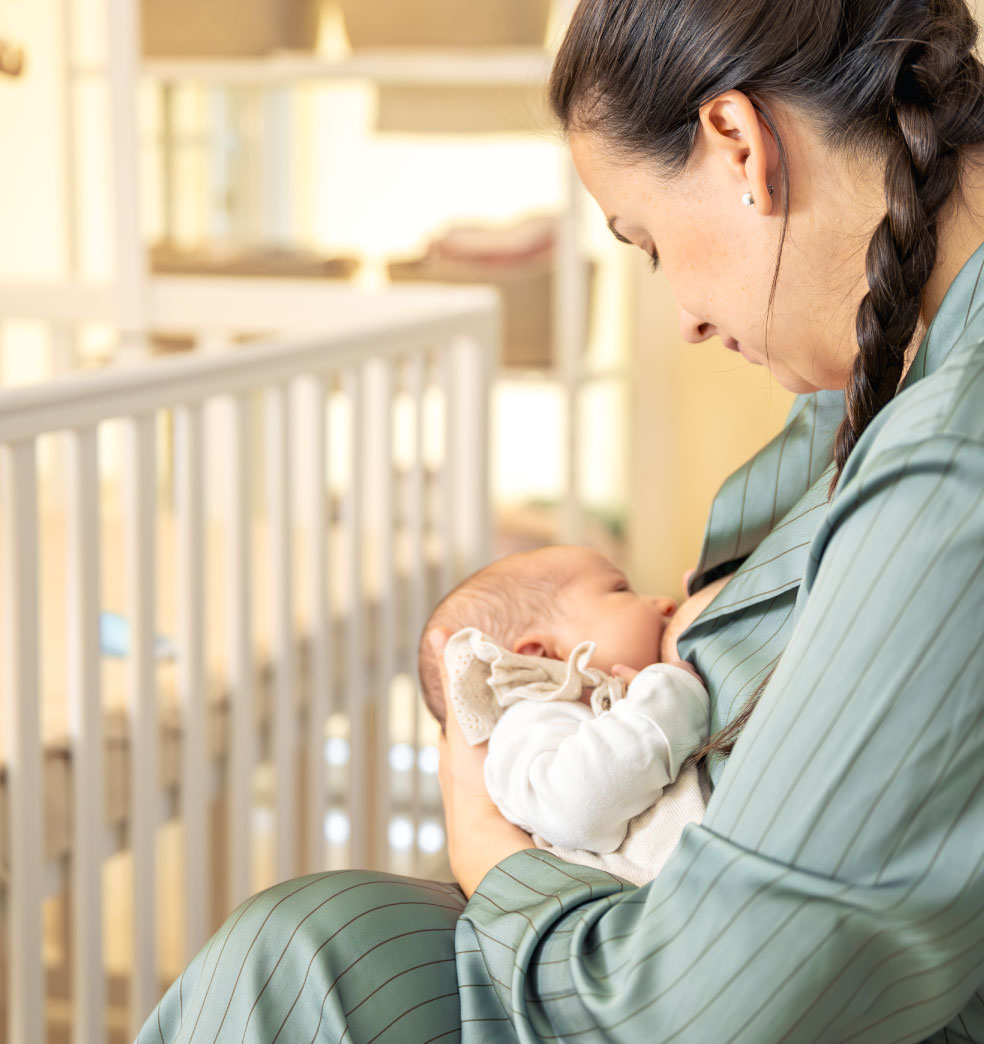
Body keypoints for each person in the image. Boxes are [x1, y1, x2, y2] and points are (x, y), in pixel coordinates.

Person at [138, 0, 984, 1040]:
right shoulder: (896, 374)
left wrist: (487, 851)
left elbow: (700, 1006)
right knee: (295, 945)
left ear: (737, 144)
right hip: (633, 905)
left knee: (294, 956)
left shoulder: (952, 464)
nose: (685, 319)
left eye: (647, 243)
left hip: (654, 970)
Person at [418, 545, 711, 886]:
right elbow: (575, 811)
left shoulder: (608, 707)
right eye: (620, 589)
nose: (663, 602)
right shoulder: (528, 723)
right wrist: (668, 698)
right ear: (541, 654)